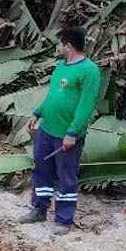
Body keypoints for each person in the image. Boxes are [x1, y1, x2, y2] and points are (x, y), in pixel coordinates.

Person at [20, 27, 102, 235]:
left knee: (66, 176)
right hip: (46, 130)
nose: (57, 47)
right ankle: (39, 209)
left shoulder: (89, 71)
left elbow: (86, 106)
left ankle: (64, 220)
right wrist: (37, 113)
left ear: (68, 46)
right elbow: (53, 96)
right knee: (41, 170)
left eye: (59, 44)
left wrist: (73, 133)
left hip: (66, 134)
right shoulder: (60, 67)